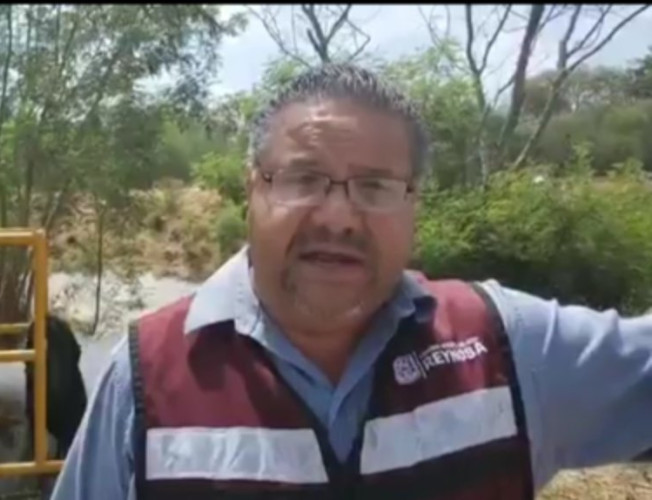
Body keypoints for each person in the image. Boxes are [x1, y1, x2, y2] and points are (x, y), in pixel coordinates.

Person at [49, 63, 652, 500]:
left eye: (375, 187)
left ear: (413, 203)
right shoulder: (146, 376)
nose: (337, 216)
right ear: (252, 190)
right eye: (303, 178)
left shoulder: (504, 346)